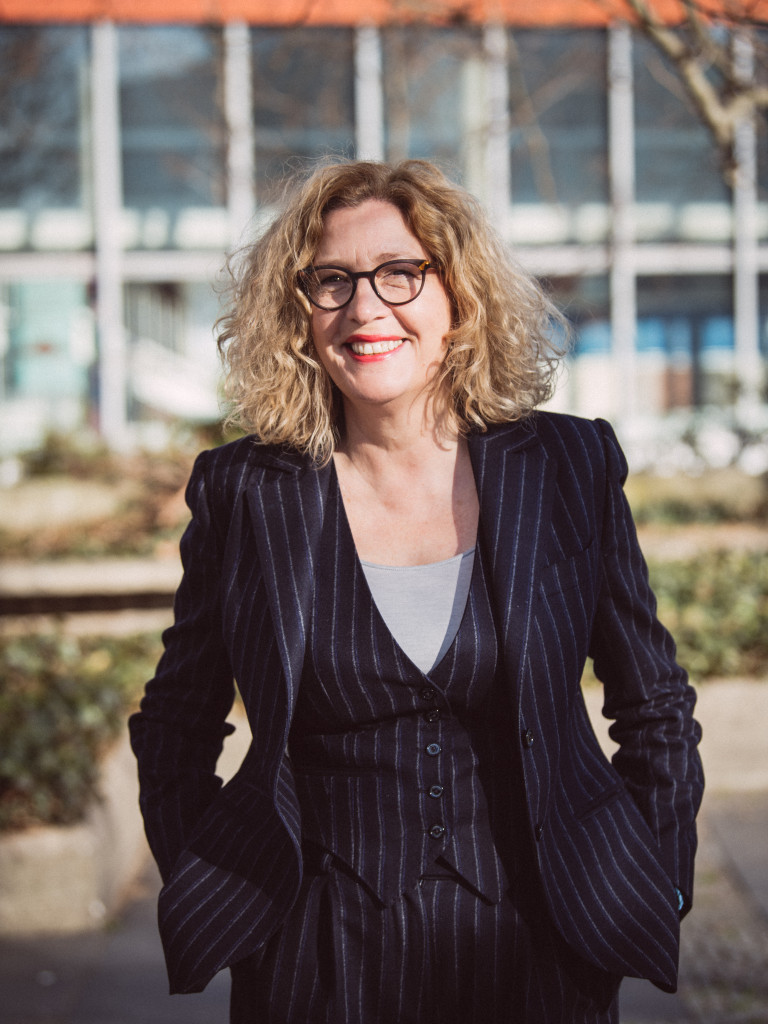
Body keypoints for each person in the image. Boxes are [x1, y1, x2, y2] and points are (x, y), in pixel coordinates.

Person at [129, 159, 704, 1024]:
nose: (365, 309)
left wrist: (656, 878)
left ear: (459, 297)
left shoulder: (568, 466)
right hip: (319, 959)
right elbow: (175, 723)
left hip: (545, 949)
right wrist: (224, 890)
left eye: (401, 273)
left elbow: (653, 703)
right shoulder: (244, 491)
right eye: (331, 280)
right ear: (298, 311)